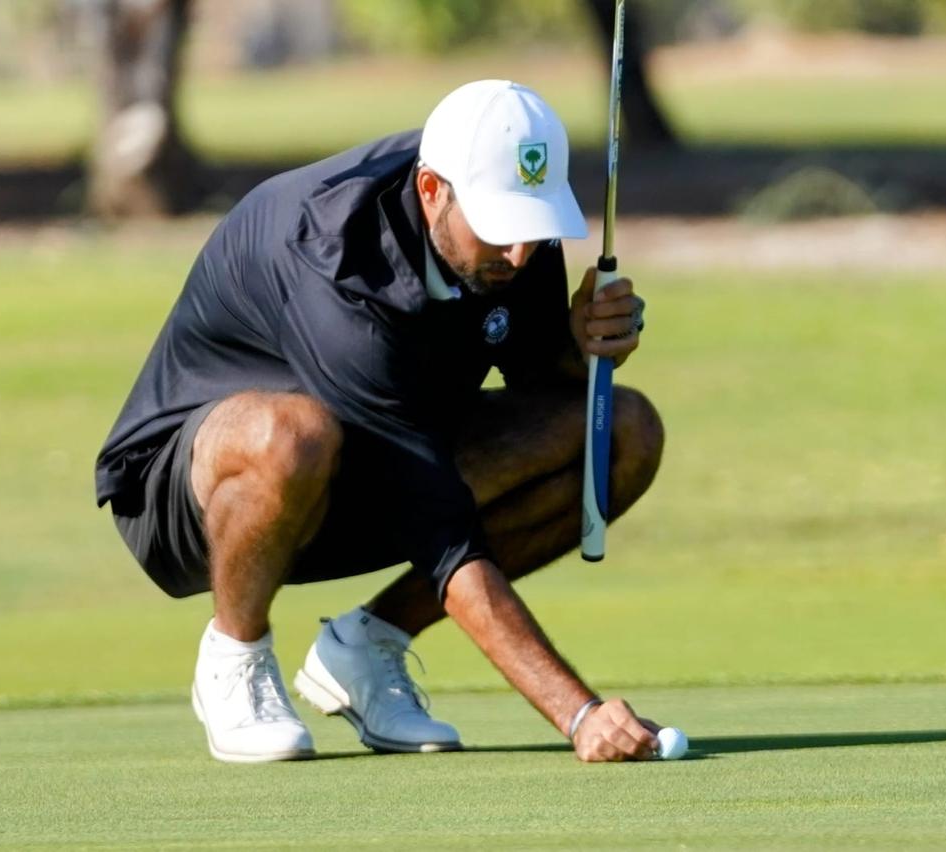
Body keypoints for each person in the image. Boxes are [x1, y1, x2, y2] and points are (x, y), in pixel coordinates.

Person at [95, 80, 664, 764]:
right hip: (187, 498)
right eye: (500, 226)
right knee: (294, 435)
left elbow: (536, 387)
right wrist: (579, 713)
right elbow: (441, 530)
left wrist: (580, 347)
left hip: (369, 459)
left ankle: (366, 647)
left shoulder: (511, 233)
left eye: (534, 227)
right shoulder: (335, 257)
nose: (520, 254)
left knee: (623, 432)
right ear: (432, 191)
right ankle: (234, 658)